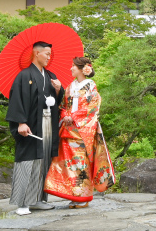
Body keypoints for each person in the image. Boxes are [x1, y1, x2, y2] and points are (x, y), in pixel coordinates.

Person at [44, 56, 114, 208]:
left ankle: (84, 197)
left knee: (81, 163)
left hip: (82, 130)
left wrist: (73, 117)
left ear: (83, 69)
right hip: (69, 130)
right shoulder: (70, 86)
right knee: (70, 164)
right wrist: (65, 116)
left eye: (73, 66)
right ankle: (74, 195)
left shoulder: (91, 86)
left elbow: (92, 108)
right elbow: (63, 106)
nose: (71, 69)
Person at [6, 41, 64, 216]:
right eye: (46, 53)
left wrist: (59, 90)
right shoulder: (24, 76)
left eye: (50, 54)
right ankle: (22, 202)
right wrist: (20, 122)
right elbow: (16, 100)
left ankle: (38, 199)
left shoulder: (50, 75)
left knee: (44, 160)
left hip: (47, 124)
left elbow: (58, 100)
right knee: (28, 162)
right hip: (30, 125)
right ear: (36, 53)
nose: (49, 57)